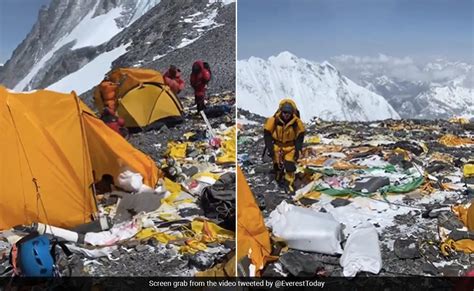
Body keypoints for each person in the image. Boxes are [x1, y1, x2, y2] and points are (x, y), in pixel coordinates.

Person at [263, 99, 305, 194]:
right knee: (277, 163)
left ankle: (288, 183)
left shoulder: (296, 123)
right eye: (284, 112)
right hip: (277, 146)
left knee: (290, 165)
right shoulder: (274, 120)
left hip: (290, 147)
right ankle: (278, 175)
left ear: (292, 113)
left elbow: (300, 136)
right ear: (281, 111)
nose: (286, 114)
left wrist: (298, 150)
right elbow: (267, 134)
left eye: (289, 113)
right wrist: (270, 148)